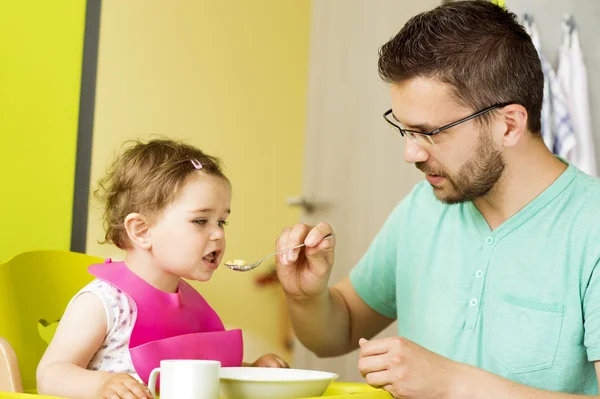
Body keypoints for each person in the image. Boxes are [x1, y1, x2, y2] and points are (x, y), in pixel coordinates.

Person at [275, 1, 600, 397]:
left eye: (430, 132)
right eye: (405, 130)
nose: (410, 153)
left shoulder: (590, 227)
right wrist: (306, 297)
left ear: (509, 124)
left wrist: (452, 383)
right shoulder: (423, 208)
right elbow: (337, 331)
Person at [37, 138, 288, 399]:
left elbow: (204, 378)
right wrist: (101, 385)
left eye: (221, 222)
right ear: (142, 231)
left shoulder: (190, 307)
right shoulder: (104, 303)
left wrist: (253, 371)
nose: (217, 235)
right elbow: (50, 374)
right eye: (201, 221)